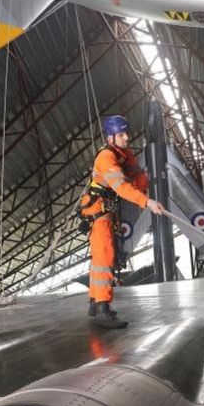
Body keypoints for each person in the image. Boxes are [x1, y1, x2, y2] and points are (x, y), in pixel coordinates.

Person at [77, 115, 164, 328]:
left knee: (102, 256)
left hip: (107, 209)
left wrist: (149, 192)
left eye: (126, 133)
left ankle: (93, 302)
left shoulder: (123, 153)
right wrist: (147, 202)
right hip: (97, 210)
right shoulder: (106, 158)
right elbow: (122, 187)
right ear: (110, 138)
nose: (127, 137)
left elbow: (137, 176)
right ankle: (103, 308)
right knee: (104, 257)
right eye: (122, 135)